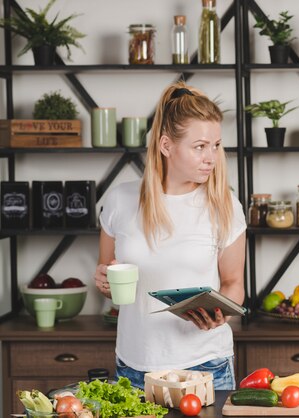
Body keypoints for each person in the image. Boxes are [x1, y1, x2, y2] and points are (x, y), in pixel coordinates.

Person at [94, 81, 246, 390]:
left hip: (205, 367)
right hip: (134, 367)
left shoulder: (224, 204)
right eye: (200, 146)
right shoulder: (120, 200)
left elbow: (233, 284)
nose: (212, 157)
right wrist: (104, 283)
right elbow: (108, 274)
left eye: (216, 145)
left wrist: (221, 314)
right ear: (166, 145)